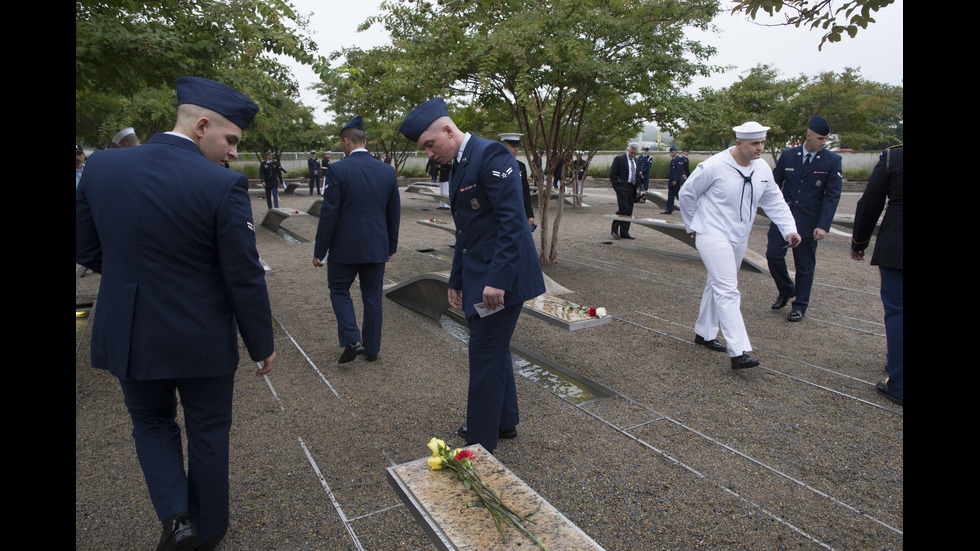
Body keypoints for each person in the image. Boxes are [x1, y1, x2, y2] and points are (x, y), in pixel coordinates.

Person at [75, 76, 276, 551]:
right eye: (230, 139)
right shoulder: (222, 184)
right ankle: (207, 529)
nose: (231, 152)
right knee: (208, 429)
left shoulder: (101, 167)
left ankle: (176, 519)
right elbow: (243, 276)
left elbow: (85, 248)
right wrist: (261, 343)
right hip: (199, 332)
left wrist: (134, 274)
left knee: (150, 421)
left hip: (128, 327)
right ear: (201, 124)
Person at [399, 97, 545, 452]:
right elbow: (467, 233)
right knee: (493, 350)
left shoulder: (492, 156)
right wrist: (456, 279)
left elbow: (513, 225)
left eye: (430, 145)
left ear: (448, 130)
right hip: (482, 272)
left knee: (484, 353)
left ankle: (481, 443)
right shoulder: (461, 163)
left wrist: (498, 281)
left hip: (502, 277)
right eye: (424, 149)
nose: (429, 154)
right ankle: (505, 421)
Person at [679, 121, 801, 369]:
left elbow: (774, 200)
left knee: (717, 283)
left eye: (762, 143)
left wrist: (789, 228)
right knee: (728, 288)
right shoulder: (714, 165)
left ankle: (704, 333)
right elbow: (687, 194)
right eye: (755, 143)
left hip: (738, 235)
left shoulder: (762, 168)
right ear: (738, 143)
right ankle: (739, 351)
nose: (760, 148)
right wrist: (692, 226)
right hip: (712, 233)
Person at [313, 115, 401, 364]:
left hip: (344, 247)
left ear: (346, 141)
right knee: (372, 295)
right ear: (365, 140)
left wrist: (320, 250)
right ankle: (372, 349)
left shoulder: (338, 170)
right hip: (376, 246)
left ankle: (352, 339)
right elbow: (393, 212)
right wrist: (391, 245)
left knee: (339, 290)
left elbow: (329, 214)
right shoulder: (386, 171)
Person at [766, 116, 843, 321]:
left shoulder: (832, 161)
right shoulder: (789, 156)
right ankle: (786, 289)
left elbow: (832, 196)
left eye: (826, 139)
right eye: (820, 138)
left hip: (809, 222)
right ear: (808, 135)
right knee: (773, 256)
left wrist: (823, 225)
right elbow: (774, 184)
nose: (823, 142)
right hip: (783, 219)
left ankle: (799, 305)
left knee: (804, 266)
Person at [851, 145, 903, 406]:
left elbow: (871, 201)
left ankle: (900, 384)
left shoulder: (895, 156)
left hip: (898, 246)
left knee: (898, 313)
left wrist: (859, 242)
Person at [498, 133, 536, 228]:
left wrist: (530, 214)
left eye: (517, 146)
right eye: (513, 146)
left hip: (517, 211)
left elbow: (525, 191)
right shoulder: (495, 165)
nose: (516, 149)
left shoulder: (521, 166)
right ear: (503, 146)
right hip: (499, 211)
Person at [609, 143, 640, 239]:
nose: (633, 155)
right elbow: (612, 174)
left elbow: (637, 175)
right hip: (622, 187)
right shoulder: (619, 159)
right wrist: (617, 187)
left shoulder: (636, 160)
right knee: (623, 208)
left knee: (629, 210)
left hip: (632, 188)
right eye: (632, 153)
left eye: (635, 153)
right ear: (628, 150)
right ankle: (614, 230)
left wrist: (640, 188)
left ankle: (624, 232)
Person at [663, 145, 686, 214]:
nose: (671, 154)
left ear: (676, 152)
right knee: (670, 196)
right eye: (670, 152)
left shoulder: (679, 159)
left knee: (678, 196)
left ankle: (686, 208)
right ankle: (669, 209)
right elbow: (671, 172)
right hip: (671, 181)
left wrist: (675, 180)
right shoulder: (673, 160)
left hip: (676, 181)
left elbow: (679, 171)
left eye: (672, 152)